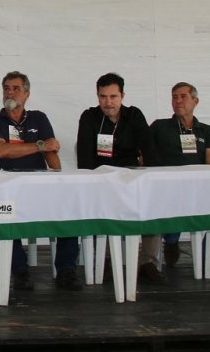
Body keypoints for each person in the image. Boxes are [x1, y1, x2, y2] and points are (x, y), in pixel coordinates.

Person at [0, 71, 80, 291]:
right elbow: (1, 151)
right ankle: (20, 271)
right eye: (6, 88)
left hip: (38, 184)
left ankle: (66, 269)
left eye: (16, 88)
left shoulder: (39, 118)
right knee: (3, 214)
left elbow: (52, 151)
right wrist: (40, 145)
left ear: (27, 94)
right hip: (4, 184)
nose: (10, 92)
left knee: (70, 209)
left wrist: (57, 176)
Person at [75, 72, 162, 283]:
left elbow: (149, 150)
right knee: (100, 208)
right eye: (103, 96)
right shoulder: (89, 117)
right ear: (97, 96)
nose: (108, 102)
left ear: (122, 95)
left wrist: (152, 179)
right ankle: (105, 261)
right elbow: (85, 158)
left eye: (113, 96)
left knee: (152, 205)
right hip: (102, 178)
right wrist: (96, 181)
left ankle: (148, 262)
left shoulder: (134, 115)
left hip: (132, 175)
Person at [147, 82, 210, 277]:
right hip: (165, 189)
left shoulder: (207, 131)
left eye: (183, 96)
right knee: (160, 210)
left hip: (198, 188)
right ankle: (171, 242)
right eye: (174, 96)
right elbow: (145, 155)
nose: (178, 100)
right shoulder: (159, 126)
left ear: (195, 101)